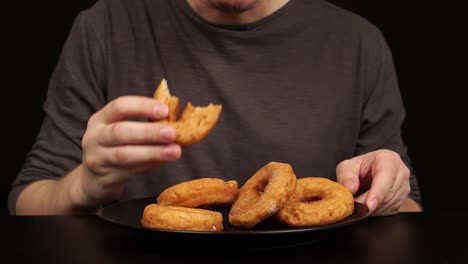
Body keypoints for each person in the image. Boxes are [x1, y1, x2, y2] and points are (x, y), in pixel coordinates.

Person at [9, 0, 422, 216]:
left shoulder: (359, 44)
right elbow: (27, 199)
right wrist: (83, 187)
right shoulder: (104, 26)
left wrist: (385, 194)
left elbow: (409, 207)